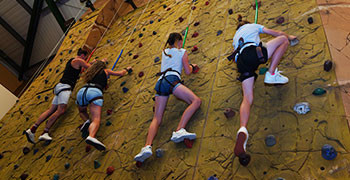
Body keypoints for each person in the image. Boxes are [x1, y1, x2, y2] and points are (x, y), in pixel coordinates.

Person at [232, 15, 297, 165]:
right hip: (254, 53)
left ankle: (242, 129)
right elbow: (276, 33)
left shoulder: (235, 37)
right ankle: (272, 73)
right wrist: (290, 36)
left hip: (241, 63)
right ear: (248, 23)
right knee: (283, 41)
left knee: (247, 98)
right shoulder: (253, 26)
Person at [134, 33, 202, 162]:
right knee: (196, 101)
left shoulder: (164, 52)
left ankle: (147, 147)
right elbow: (187, 71)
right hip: (172, 80)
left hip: (160, 82)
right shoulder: (182, 51)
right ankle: (179, 130)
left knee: (157, 118)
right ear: (178, 41)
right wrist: (192, 66)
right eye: (181, 41)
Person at [25, 48, 91, 143]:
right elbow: (89, 67)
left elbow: (79, 71)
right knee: (61, 110)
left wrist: (88, 64)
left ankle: (32, 129)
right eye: (85, 57)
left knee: (51, 110)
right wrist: (98, 62)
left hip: (60, 86)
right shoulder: (79, 60)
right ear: (82, 56)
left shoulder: (71, 61)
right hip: (66, 87)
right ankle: (45, 132)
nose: (85, 59)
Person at [76, 58, 132, 151]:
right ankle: (91, 136)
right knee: (96, 119)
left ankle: (86, 121)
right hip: (94, 92)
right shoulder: (106, 71)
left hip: (82, 91)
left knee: (82, 111)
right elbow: (121, 73)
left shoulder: (90, 73)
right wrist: (127, 69)